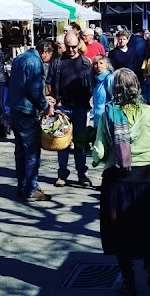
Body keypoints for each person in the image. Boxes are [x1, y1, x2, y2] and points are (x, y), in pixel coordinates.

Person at [91, 68, 150, 296]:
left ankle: (128, 280)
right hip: (147, 181)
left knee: (121, 233)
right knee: (148, 230)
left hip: (117, 181)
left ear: (114, 89)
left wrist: (92, 154)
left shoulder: (109, 114)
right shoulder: (149, 112)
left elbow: (98, 152)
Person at [47, 32, 94, 188]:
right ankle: (62, 174)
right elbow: (49, 82)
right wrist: (53, 101)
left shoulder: (86, 63)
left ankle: (82, 174)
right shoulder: (57, 62)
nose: (71, 50)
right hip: (63, 107)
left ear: (78, 44)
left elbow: (91, 84)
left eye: (74, 47)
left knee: (80, 142)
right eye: (68, 47)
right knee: (62, 142)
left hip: (80, 107)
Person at [9, 41, 55, 202]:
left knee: (21, 150)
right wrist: (45, 106)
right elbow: (34, 89)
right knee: (31, 152)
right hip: (27, 111)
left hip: (15, 108)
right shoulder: (34, 62)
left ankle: (23, 185)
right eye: (49, 56)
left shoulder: (20, 58)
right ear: (45, 52)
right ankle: (30, 189)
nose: (48, 60)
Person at [92, 54, 114, 129]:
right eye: (96, 63)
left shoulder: (109, 78)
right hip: (97, 115)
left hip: (106, 115)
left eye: (101, 63)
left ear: (106, 65)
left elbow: (113, 97)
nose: (98, 66)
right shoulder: (97, 80)